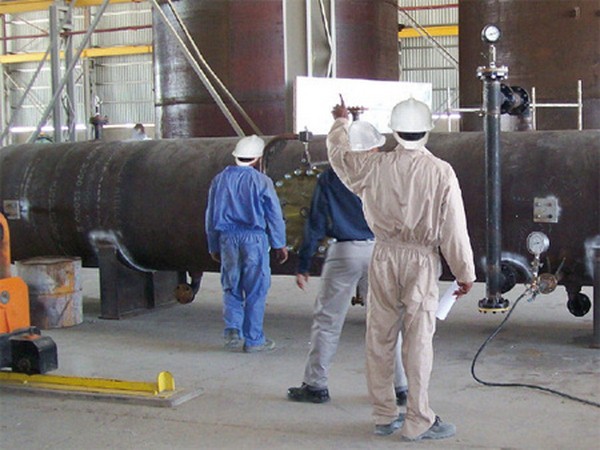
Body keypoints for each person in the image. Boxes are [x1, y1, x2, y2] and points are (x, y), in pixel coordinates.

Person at [327, 97, 476, 441]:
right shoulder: (441, 171)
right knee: (418, 339)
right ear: (427, 131)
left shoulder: (373, 166)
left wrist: (340, 123)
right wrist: (464, 273)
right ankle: (418, 419)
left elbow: (339, 157)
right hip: (420, 260)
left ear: (393, 131)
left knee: (379, 336)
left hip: (383, 255)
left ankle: (383, 415)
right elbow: (454, 228)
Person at [287, 121, 408, 408]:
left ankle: (315, 385)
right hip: (380, 251)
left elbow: (316, 221)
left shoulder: (332, 176)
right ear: (375, 148)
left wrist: (303, 264)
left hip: (344, 252)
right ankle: (400, 387)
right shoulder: (388, 174)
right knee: (387, 323)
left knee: (327, 322)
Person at [205, 135, 288, 353]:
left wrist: (213, 245)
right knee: (255, 289)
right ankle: (254, 340)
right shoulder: (262, 181)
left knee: (231, 284)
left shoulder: (219, 180)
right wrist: (279, 243)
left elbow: (210, 215)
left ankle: (233, 329)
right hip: (254, 239)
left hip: (227, 239)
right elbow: (274, 215)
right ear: (258, 159)